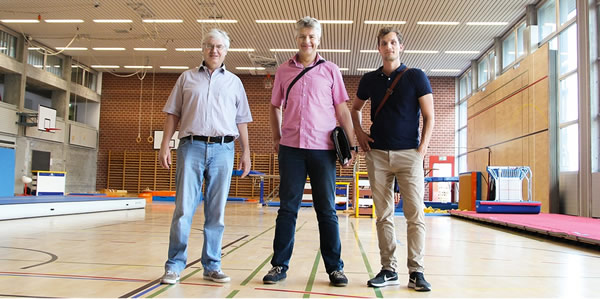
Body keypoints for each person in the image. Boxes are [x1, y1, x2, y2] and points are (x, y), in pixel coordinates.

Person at [262, 16, 356, 287]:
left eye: (312, 36)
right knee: (287, 209)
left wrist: (349, 146)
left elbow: (342, 110)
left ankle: (334, 269)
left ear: (319, 39)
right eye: (303, 36)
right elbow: (274, 106)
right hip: (291, 149)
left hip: (323, 150)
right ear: (297, 38)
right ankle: (279, 265)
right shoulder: (282, 71)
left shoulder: (331, 71)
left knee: (326, 210)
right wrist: (277, 136)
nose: (307, 41)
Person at [158, 28, 252, 285]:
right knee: (183, 209)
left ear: (226, 51)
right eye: (210, 46)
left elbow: (242, 120)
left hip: (224, 149)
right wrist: (165, 145)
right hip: (191, 147)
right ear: (202, 49)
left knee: (216, 212)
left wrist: (246, 152)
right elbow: (172, 114)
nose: (214, 50)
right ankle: (175, 265)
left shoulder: (235, 82)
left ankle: (212, 265)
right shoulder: (186, 78)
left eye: (220, 46)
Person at [350, 27, 434, 292]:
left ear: (401, 47)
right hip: (377, 155)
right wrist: (360, 133)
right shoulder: (369, 79)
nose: (389, 47)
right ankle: (389, 269)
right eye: (384, 43)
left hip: (409, 154)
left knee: (415, 214)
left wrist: (421, 150)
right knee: (383, 215)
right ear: (379, 48)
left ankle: (416, 272)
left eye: (393, 42)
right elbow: (355, 109)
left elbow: (429, 116)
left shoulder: (416, 77)